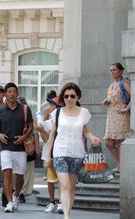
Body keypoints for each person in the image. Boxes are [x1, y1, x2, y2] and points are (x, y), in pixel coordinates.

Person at [45, 82, 101, 219]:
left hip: (77, 154)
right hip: (60, 152)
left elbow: (86, 132)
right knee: (64, 185)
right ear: (63, 98)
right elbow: (52, 135)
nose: (69, 99)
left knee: (71, 187)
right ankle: (66, 216)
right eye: (66, 96)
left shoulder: (84, 113)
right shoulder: (57, 113)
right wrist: (47, 155)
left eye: (72, 96)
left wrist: (93, 137)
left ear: (77, 97)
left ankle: (67, 212)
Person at [0, 82, 33, 213]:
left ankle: (16, 195)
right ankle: (9, 202)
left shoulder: (25, 109)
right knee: (7, 173)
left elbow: (31, 126)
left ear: (17, 93)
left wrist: (24, 137)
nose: (12, 94)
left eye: (14, 91)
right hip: (5, 147)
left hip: (21, 148)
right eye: (9, 92)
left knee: (20, 176)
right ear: (5, 94)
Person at [35, 92, 63, 214]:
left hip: (59, 153)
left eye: (52, 105)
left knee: (61, 180)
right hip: (49, 154)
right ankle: (52, 202)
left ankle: (61, 203)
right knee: (51, 180)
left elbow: (51, 139)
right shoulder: (49, 120)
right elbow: (45, 139)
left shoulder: (62, 121)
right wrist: (41, 125)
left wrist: (42, 130)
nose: (49, 107)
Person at [102, 63, 131, 173]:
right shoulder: (112, 85)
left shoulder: (124, 83)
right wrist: (106, 100)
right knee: (109, 143)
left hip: (120, 115)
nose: (112, 72)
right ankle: (120, 164)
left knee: (119, 142)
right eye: (111, 70)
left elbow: (133, 96)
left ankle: (121, 166)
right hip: (111, 115)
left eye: (114, 70)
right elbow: (112, 97)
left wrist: (126, 108)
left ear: (120, 71)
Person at [17, 96, 40, 203]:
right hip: (16, 145)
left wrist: (37, 147)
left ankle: (22, 192)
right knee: (18, 170)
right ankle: (17, 191)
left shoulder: (30, 116)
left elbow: (35, 133)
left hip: (28, 146)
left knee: (28, 170)